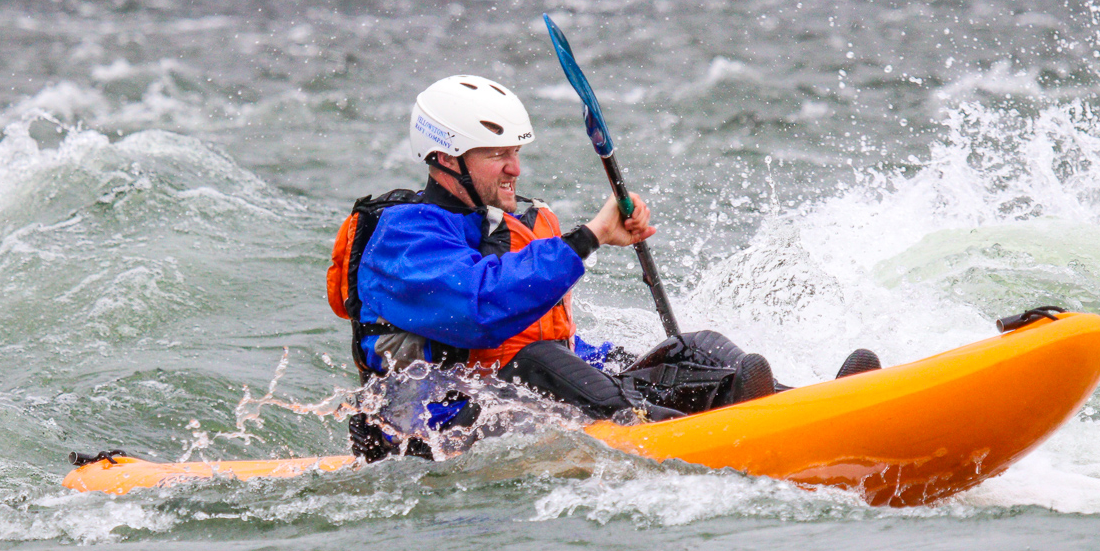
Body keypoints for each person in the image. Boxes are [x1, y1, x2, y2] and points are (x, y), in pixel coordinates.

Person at [328, 74, 827, 462]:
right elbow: (479, 306)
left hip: (520, 395)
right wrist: (590, 238)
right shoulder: (400, 238)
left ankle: (808, 408)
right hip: (432, 432)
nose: (514, 168)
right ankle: (705, 438)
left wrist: (623, 364)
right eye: (497, 155)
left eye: (516, 153)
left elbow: (548, 342)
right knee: (541, 362)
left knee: (692, 350)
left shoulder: (522, 220)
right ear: (444, 158)